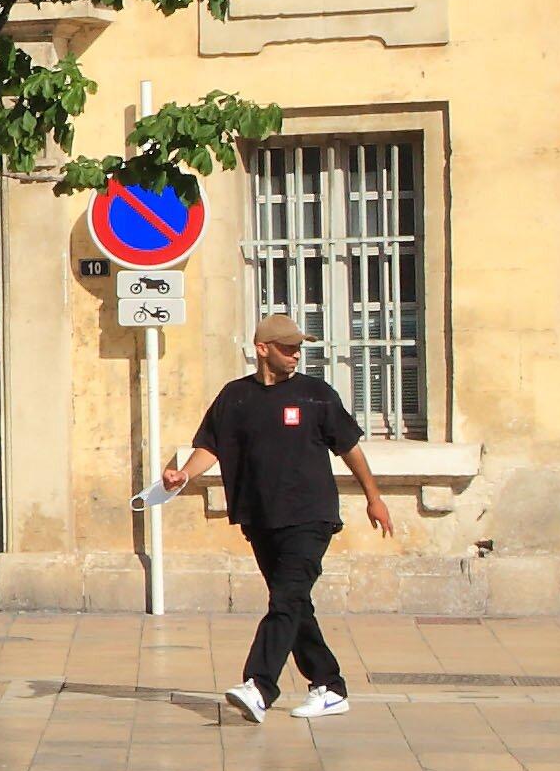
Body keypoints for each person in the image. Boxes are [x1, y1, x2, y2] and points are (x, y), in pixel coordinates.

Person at [160, 309, 393, 722]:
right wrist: (183, 475)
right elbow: (210, 447)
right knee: (294, 602)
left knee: (285, 598)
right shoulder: (235, 397)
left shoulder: (315, 395)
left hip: (310, 516)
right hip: (259, 516)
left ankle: (259, 685)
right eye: (286, 348)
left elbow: (350, 448)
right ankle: (330, 686)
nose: (295, 356)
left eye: (298, 348)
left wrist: (373, 498)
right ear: (262, 349)